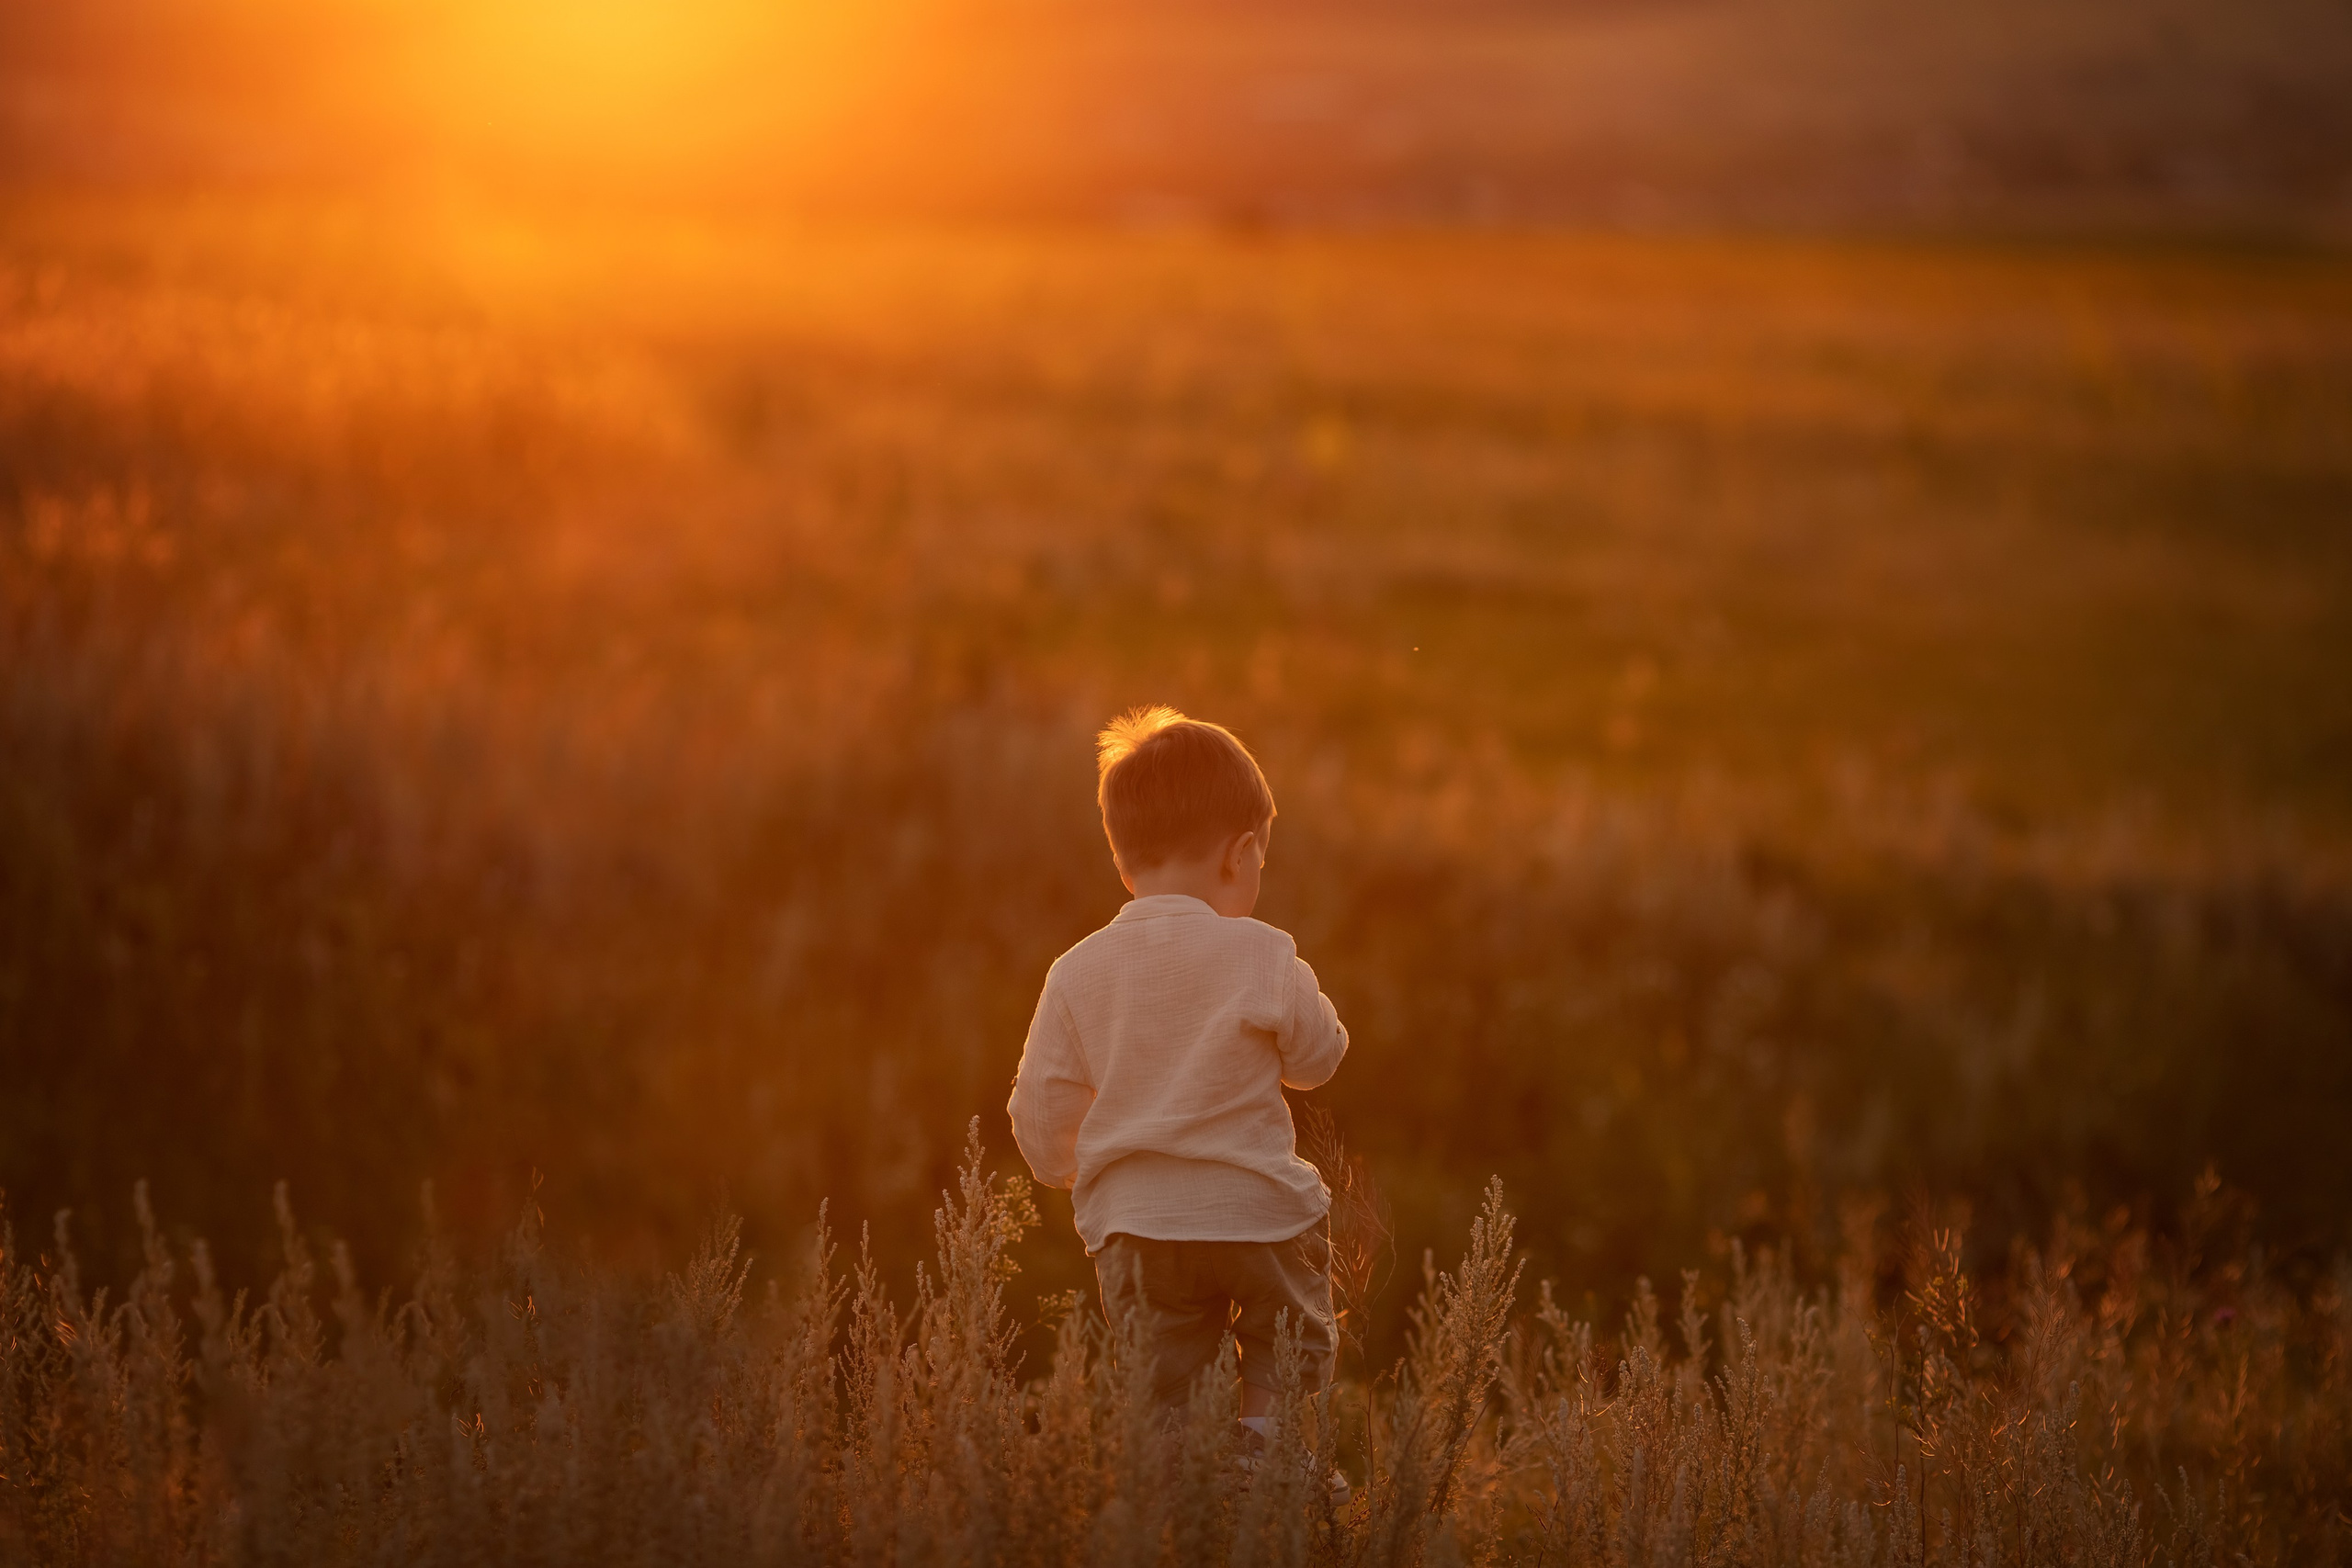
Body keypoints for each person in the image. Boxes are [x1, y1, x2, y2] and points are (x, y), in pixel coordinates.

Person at [1008, 705, 1350, 1471]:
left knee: (1160, 1379)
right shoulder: (1262, 951)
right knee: (1285, 1332)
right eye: (1261, 859)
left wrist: (1069, 1168)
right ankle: (1269, 1454)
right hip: (1257, 1211)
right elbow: (1319, 1056)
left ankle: (1176, 1491)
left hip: (1137, 1226)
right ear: (1240, 854)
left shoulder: (1076, 972)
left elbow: (1040, 1113)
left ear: (1124, 863)